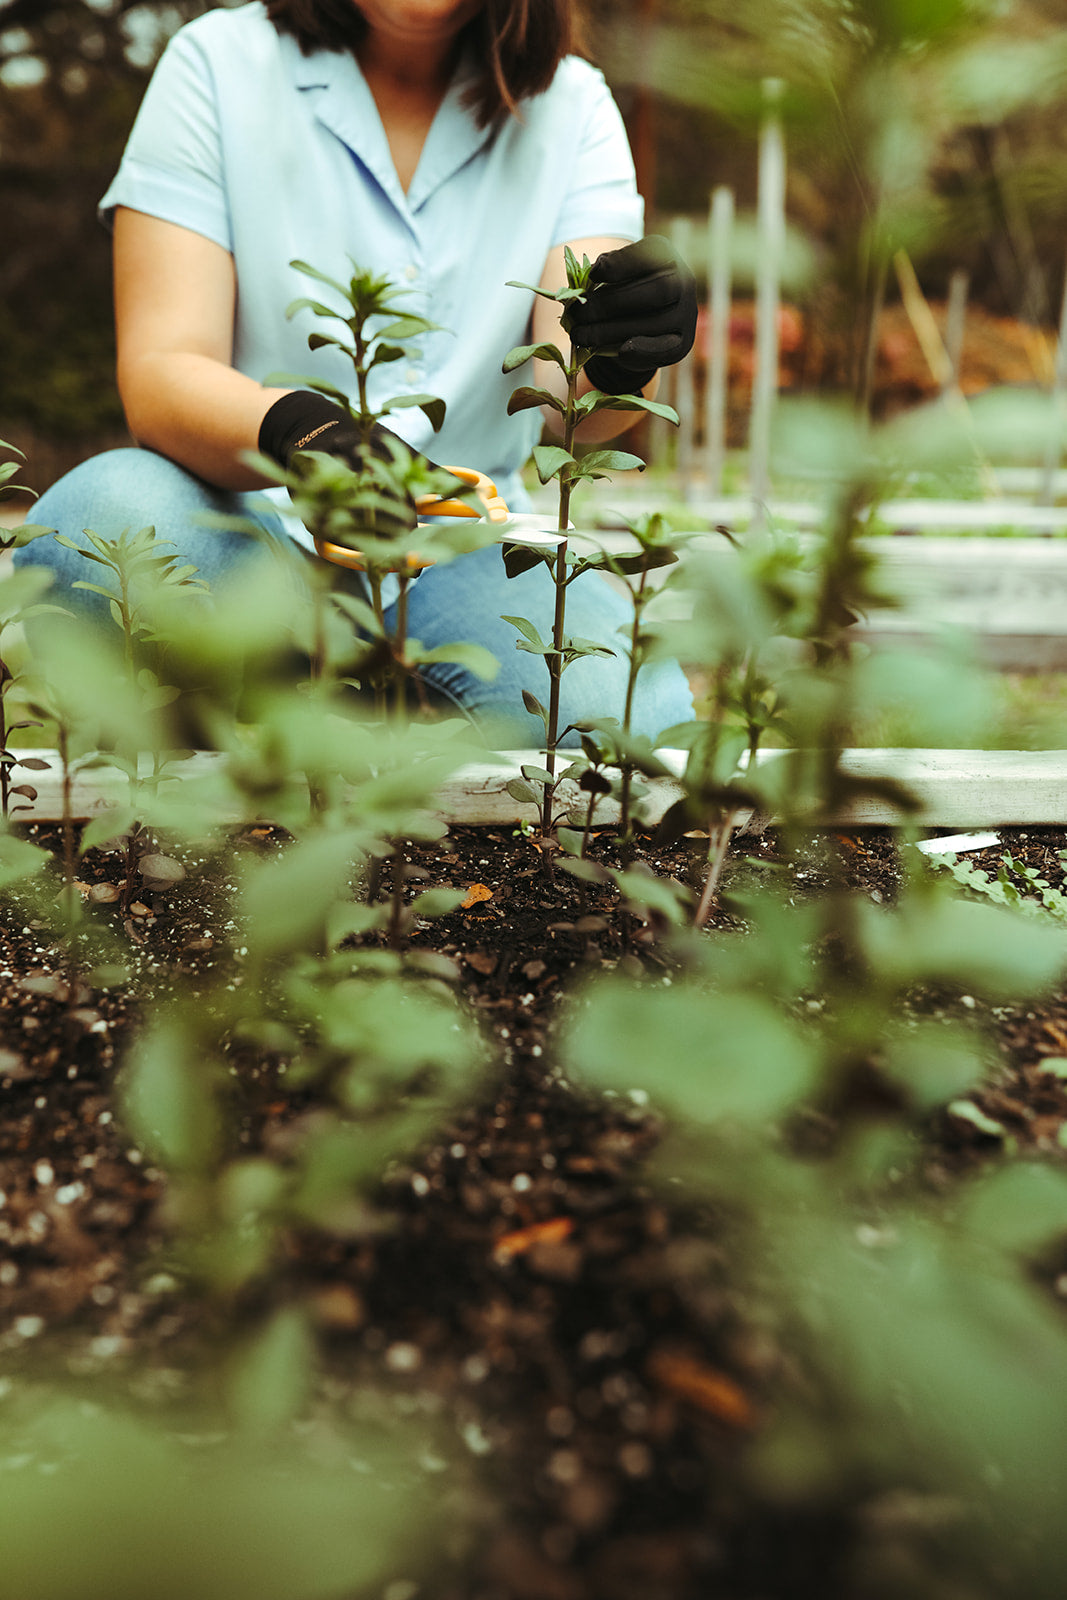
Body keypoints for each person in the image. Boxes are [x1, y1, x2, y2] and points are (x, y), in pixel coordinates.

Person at [19, 0, 698, 746]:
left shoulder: (572, 105)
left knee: (631, 731)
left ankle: (360, 711)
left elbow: (576, 407)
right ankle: (243, 721)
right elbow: (162, 367)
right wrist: (298, 431)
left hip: (464, 544)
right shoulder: (216, 61)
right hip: (244, 517)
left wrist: (623, 347)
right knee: (92, 528)